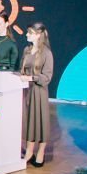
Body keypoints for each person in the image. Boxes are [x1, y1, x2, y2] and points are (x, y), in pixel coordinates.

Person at [20, 20, 55, 166]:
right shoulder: (27, 50)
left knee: (40, 121)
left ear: (38, 35)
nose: (26, 35)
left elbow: (47, 76)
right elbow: (22, 69)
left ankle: (40, 152)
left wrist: (32, 78)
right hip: (26, 91)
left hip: (39, 92)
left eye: (30, 33)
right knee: (28, 121)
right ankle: (29, 151)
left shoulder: (46, 53)